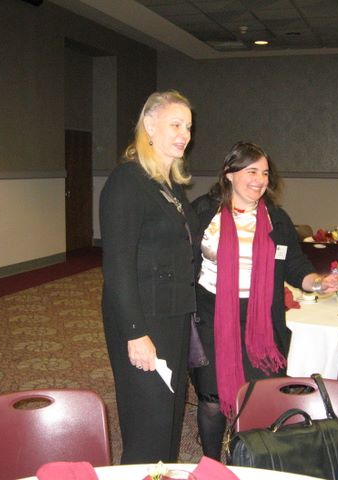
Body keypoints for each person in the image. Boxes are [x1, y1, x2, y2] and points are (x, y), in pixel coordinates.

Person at [190, 141, 338, 460]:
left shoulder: (276, 218)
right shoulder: (203, 212)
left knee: (259, 397)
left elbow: (295, 266)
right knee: (212, 398)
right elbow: (184, 263)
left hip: (261, 320)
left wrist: (318, 282)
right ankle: (212, 465)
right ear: (229, 173)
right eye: (251, 171)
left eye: (264, 173)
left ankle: (250, 459)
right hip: (211, 316)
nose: (260, 180)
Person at [99, 90, 198, 463]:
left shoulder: (169, 185)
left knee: (168, 420)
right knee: (148, 424)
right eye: (176, 124)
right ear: (150, 125)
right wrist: (135, 333)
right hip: (143, 319)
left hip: (173, 316)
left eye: (188, 127)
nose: (184, 134)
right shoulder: (128, 181)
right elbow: (117, 265)